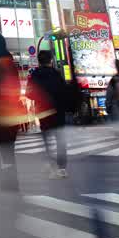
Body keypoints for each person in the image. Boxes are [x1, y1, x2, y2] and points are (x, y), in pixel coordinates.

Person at [28, 50, 74, 178]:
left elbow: (28, 93)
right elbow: (64, 92)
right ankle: (62, 168)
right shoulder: (56, 74)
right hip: (57, 111)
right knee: (60, 140)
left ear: (39, 61)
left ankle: (51, 165)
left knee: (46, 140)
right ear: (51, 60)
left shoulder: (35, 75)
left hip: (43, 112)